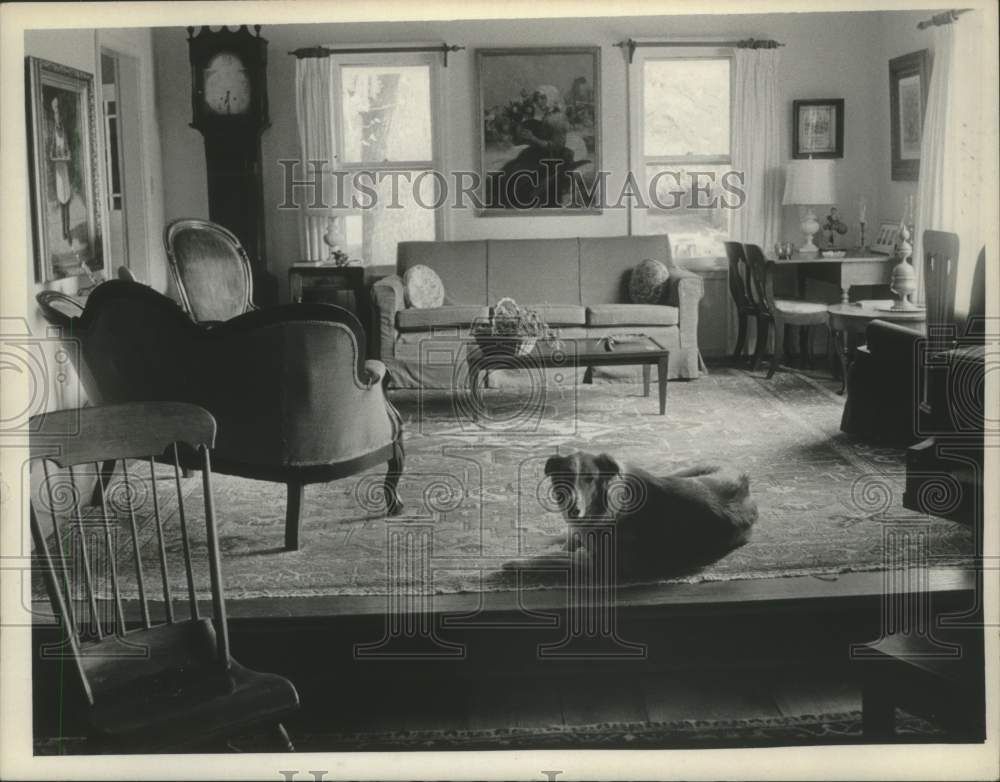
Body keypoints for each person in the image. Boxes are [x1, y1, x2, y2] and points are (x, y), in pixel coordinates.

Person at [497, 85, 590, 208]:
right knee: (512, 168)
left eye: (542, 98)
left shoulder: (557, 118)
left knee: (521, 174)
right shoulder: (548, 115)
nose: (538, 102)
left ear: (551, 98)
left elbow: (556, 147)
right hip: (543, 153)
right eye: (537, 98)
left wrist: (533, 139)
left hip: (554, 158)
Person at [48, 96, 73, 241]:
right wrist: (54, 157)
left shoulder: (65, 134)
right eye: (56, 117)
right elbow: (51, 153)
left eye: (59, 117)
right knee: (61, 199)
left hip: (64, 169)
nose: (58, 121)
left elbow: (69, 151)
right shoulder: (53, 136)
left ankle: (67, 230)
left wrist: (67, 155)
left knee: (67, 198)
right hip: (58, 168)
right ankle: (63, 231)